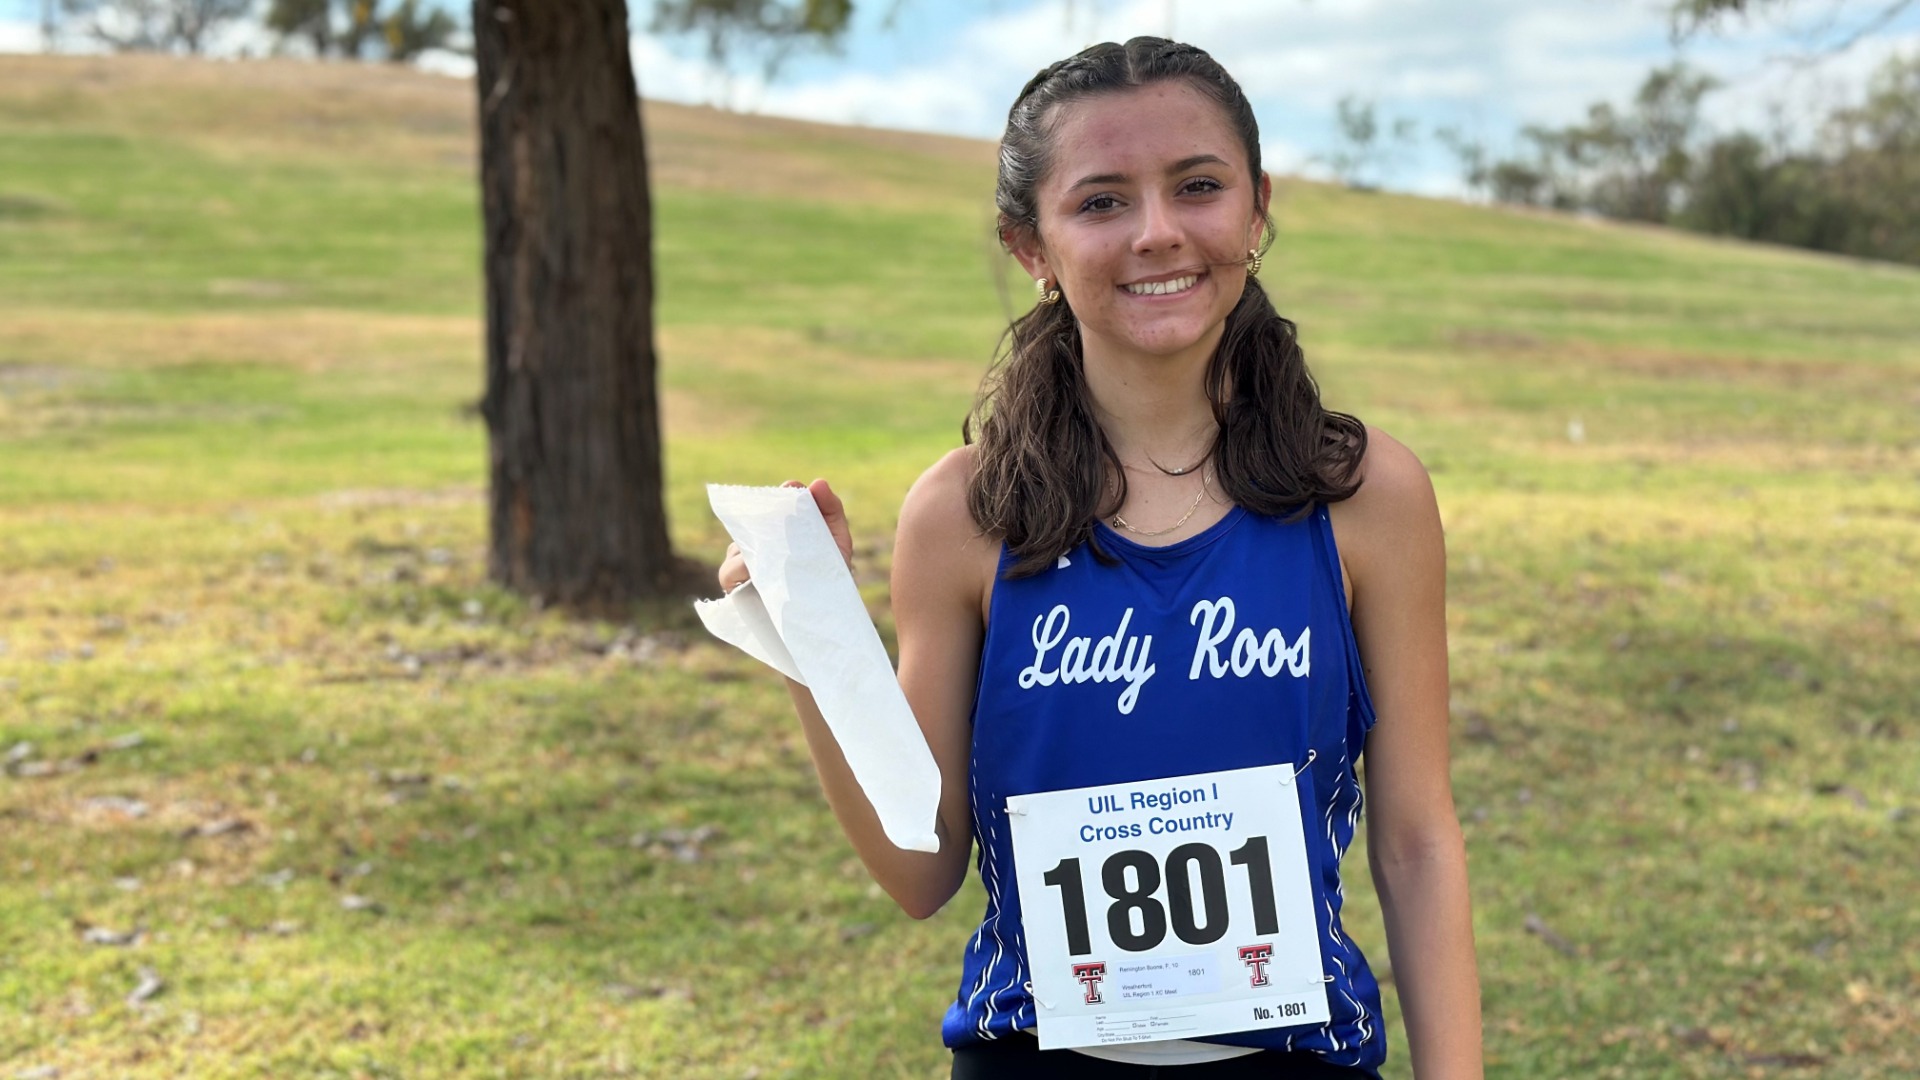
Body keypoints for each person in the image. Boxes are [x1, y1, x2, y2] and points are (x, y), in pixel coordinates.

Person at [718, 36, 1482, 1080]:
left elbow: (1417, 842)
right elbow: (919, 868)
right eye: (1102, 201)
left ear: (1257, 209)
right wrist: (810, 642)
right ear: (1029, 246)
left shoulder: (1363, 495)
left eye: (1198, 186)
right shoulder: (964, 513)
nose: (1159, 233)